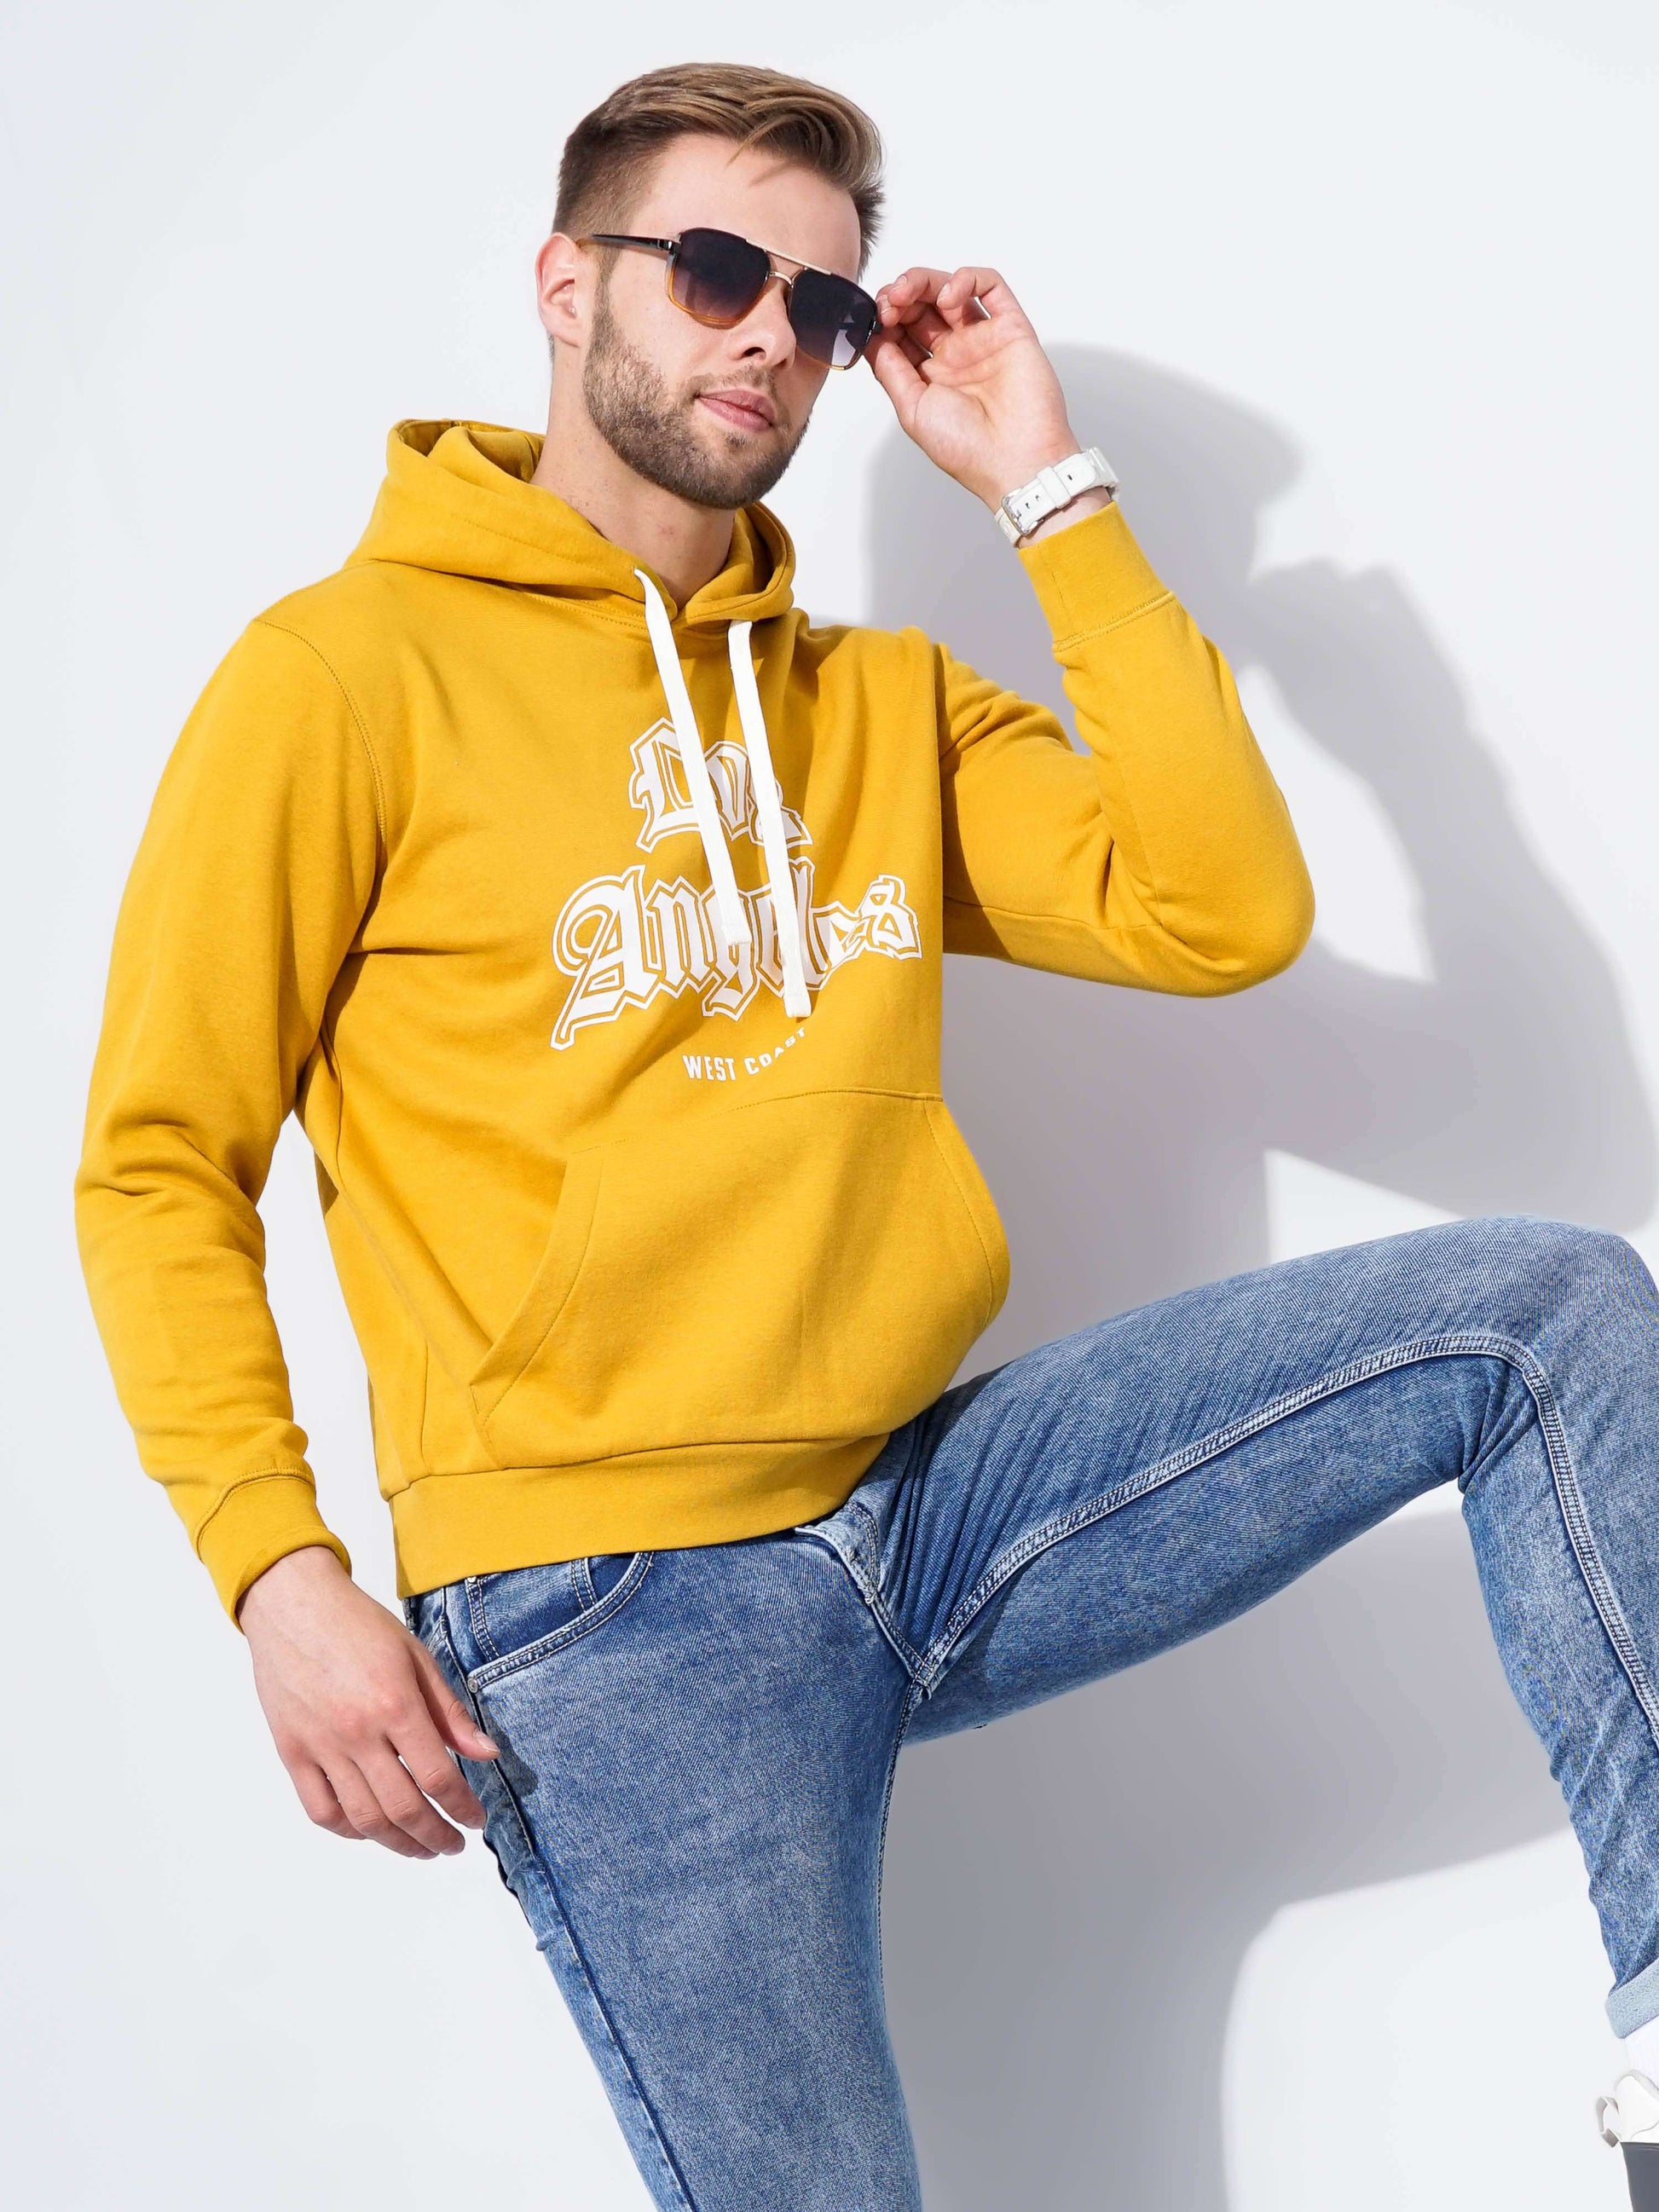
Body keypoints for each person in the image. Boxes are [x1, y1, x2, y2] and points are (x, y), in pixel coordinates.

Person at [72, 57, 1659, 2212]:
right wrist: (276, 1568)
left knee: (1543, 1313)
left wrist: (1046, 485)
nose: (771, 337)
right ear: (565, 282)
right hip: (614, 1603)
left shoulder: (874, 706)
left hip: (931, 1502)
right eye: (717, 269)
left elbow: (1218, 910)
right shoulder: (339, 677)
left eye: (820, 305)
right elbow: (158, 1158)